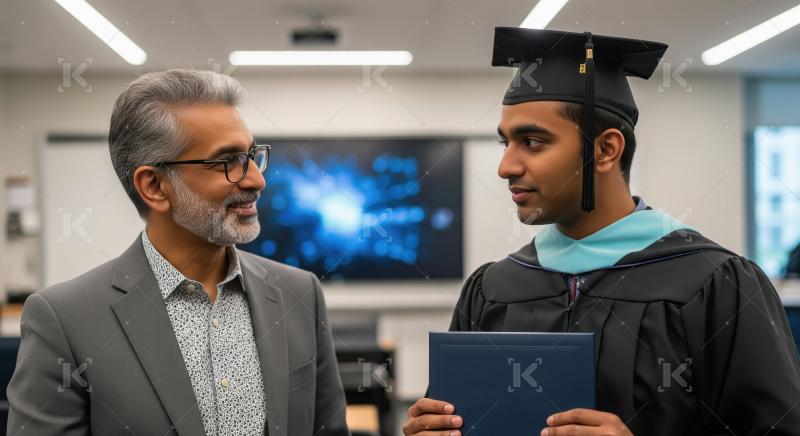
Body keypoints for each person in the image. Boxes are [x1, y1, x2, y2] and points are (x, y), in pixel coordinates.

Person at [403, 28, 800, 436]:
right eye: (506, 142)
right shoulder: (492, 289)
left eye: (533, 142)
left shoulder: (715, 284)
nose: (506, 166)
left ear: (606, 149)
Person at [7, 69, 350, 436]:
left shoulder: (300, 293)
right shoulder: (64, 320)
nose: (257, 180)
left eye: (252, 155)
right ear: (154, 186)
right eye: (227, 162)